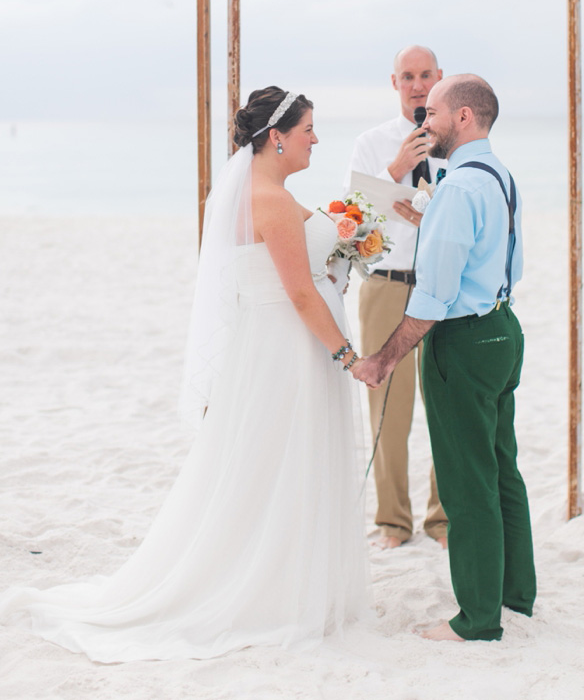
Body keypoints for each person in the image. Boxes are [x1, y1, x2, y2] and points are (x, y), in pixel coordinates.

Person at [0, 87, 368, 661]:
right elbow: (298, 293)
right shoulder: (268, 199)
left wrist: (363, 214)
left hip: (277, 346)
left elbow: (320, 243)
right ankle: (269, 589)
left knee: (275, 464)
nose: (315, 139)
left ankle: (283, 575)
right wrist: (350, 356)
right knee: (279, 462)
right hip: (284, 348)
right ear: (277, 137)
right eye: (308, 130)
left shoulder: (270, 192)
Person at [353, 74, 536, 642]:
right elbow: (501, 256)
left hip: (463, 342)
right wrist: (428, 219)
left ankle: (477, 619)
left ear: (462, 117)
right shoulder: (497, 175)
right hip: (504, 329)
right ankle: (515, 595)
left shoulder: (456, 188)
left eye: (431, 112)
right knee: (502, 468)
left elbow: (431, 299)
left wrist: (383, 358)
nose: (423, 120)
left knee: (466, 482)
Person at [345, 45, 448, 549]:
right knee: (387, 407)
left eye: (426, 75)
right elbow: (353, 221)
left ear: (440, 77)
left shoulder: (459, 141)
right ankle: (392, 521)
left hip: (441, 287)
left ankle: (443, 520)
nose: (417, 85)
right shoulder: (372, 143)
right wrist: (395, 168)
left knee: (446, 406)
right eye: (408, 76)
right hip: (387, 285)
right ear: (395, 83)